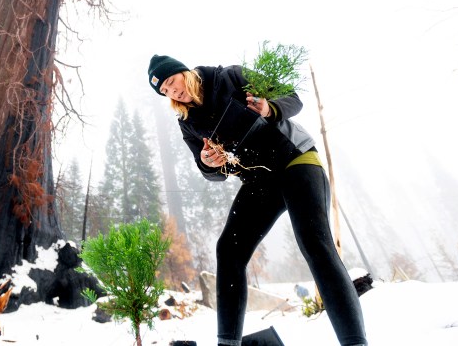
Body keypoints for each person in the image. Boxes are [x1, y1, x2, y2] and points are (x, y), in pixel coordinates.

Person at [147, 54, 368, 346]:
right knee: (229, 251)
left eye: (172, 81)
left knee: (315, 244)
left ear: (184, 72)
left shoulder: (231, 77)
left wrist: (270, 108)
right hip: (260, 179)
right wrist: (208, 163)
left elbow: (293, 99)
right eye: (165, 91)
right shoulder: (188, 123)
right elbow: (211, 174)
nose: (173, 91)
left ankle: (354, 342)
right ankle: (228, 343)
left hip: (294, 159)